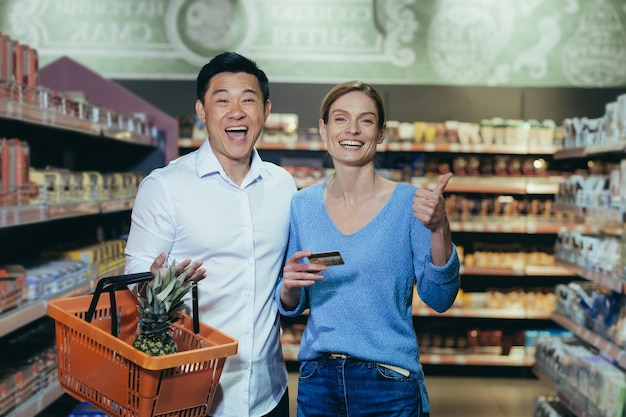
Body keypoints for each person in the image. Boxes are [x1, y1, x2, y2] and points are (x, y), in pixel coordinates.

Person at [124, 52, 297, 417]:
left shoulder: (283, 185)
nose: (236, 111)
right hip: (189, 396)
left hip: (268, 393)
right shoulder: (165, 186)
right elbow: (135, 269)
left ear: (266, 110)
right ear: (202, 111)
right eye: (222, 100)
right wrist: (151, 284)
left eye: (248, 99)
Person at [275, 80, 461, 416]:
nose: (353, 130)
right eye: (341, 118)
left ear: (381, 133)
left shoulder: (410, 204)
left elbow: (440, 298)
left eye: (366, 120)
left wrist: (439, 228)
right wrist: (288, 286)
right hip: (318, 382)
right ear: (324, 128)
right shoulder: (302, 205)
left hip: (388, 382)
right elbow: (293, 303)